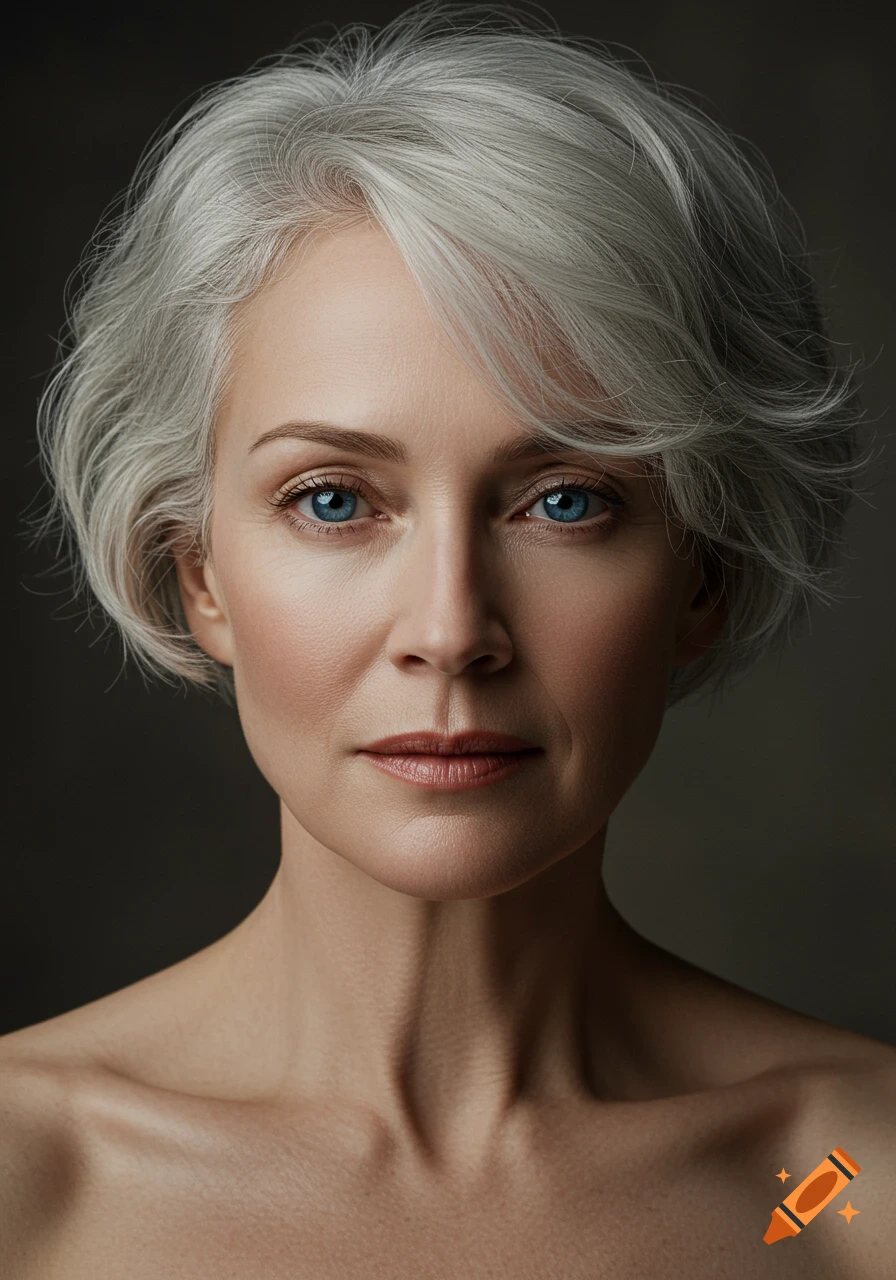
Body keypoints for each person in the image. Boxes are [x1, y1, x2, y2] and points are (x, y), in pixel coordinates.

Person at [3, 4, 893, 1277]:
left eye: (566, 501)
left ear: (707, 570)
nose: (449, 631)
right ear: (198, 575)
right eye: (332, 499)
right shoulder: (32, 1184)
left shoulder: (835, 1183)